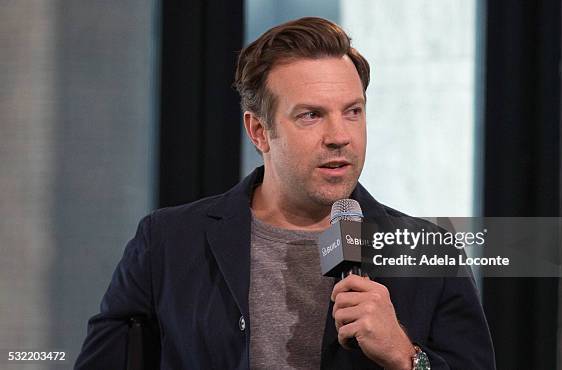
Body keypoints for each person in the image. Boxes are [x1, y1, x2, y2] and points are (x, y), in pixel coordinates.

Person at [75, 17, 495, 370]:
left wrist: (406, 356)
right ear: (259, 131)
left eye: (353, 111)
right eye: (311, 115)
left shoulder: (428, 252)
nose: (339, 137)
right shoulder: (168, 241)